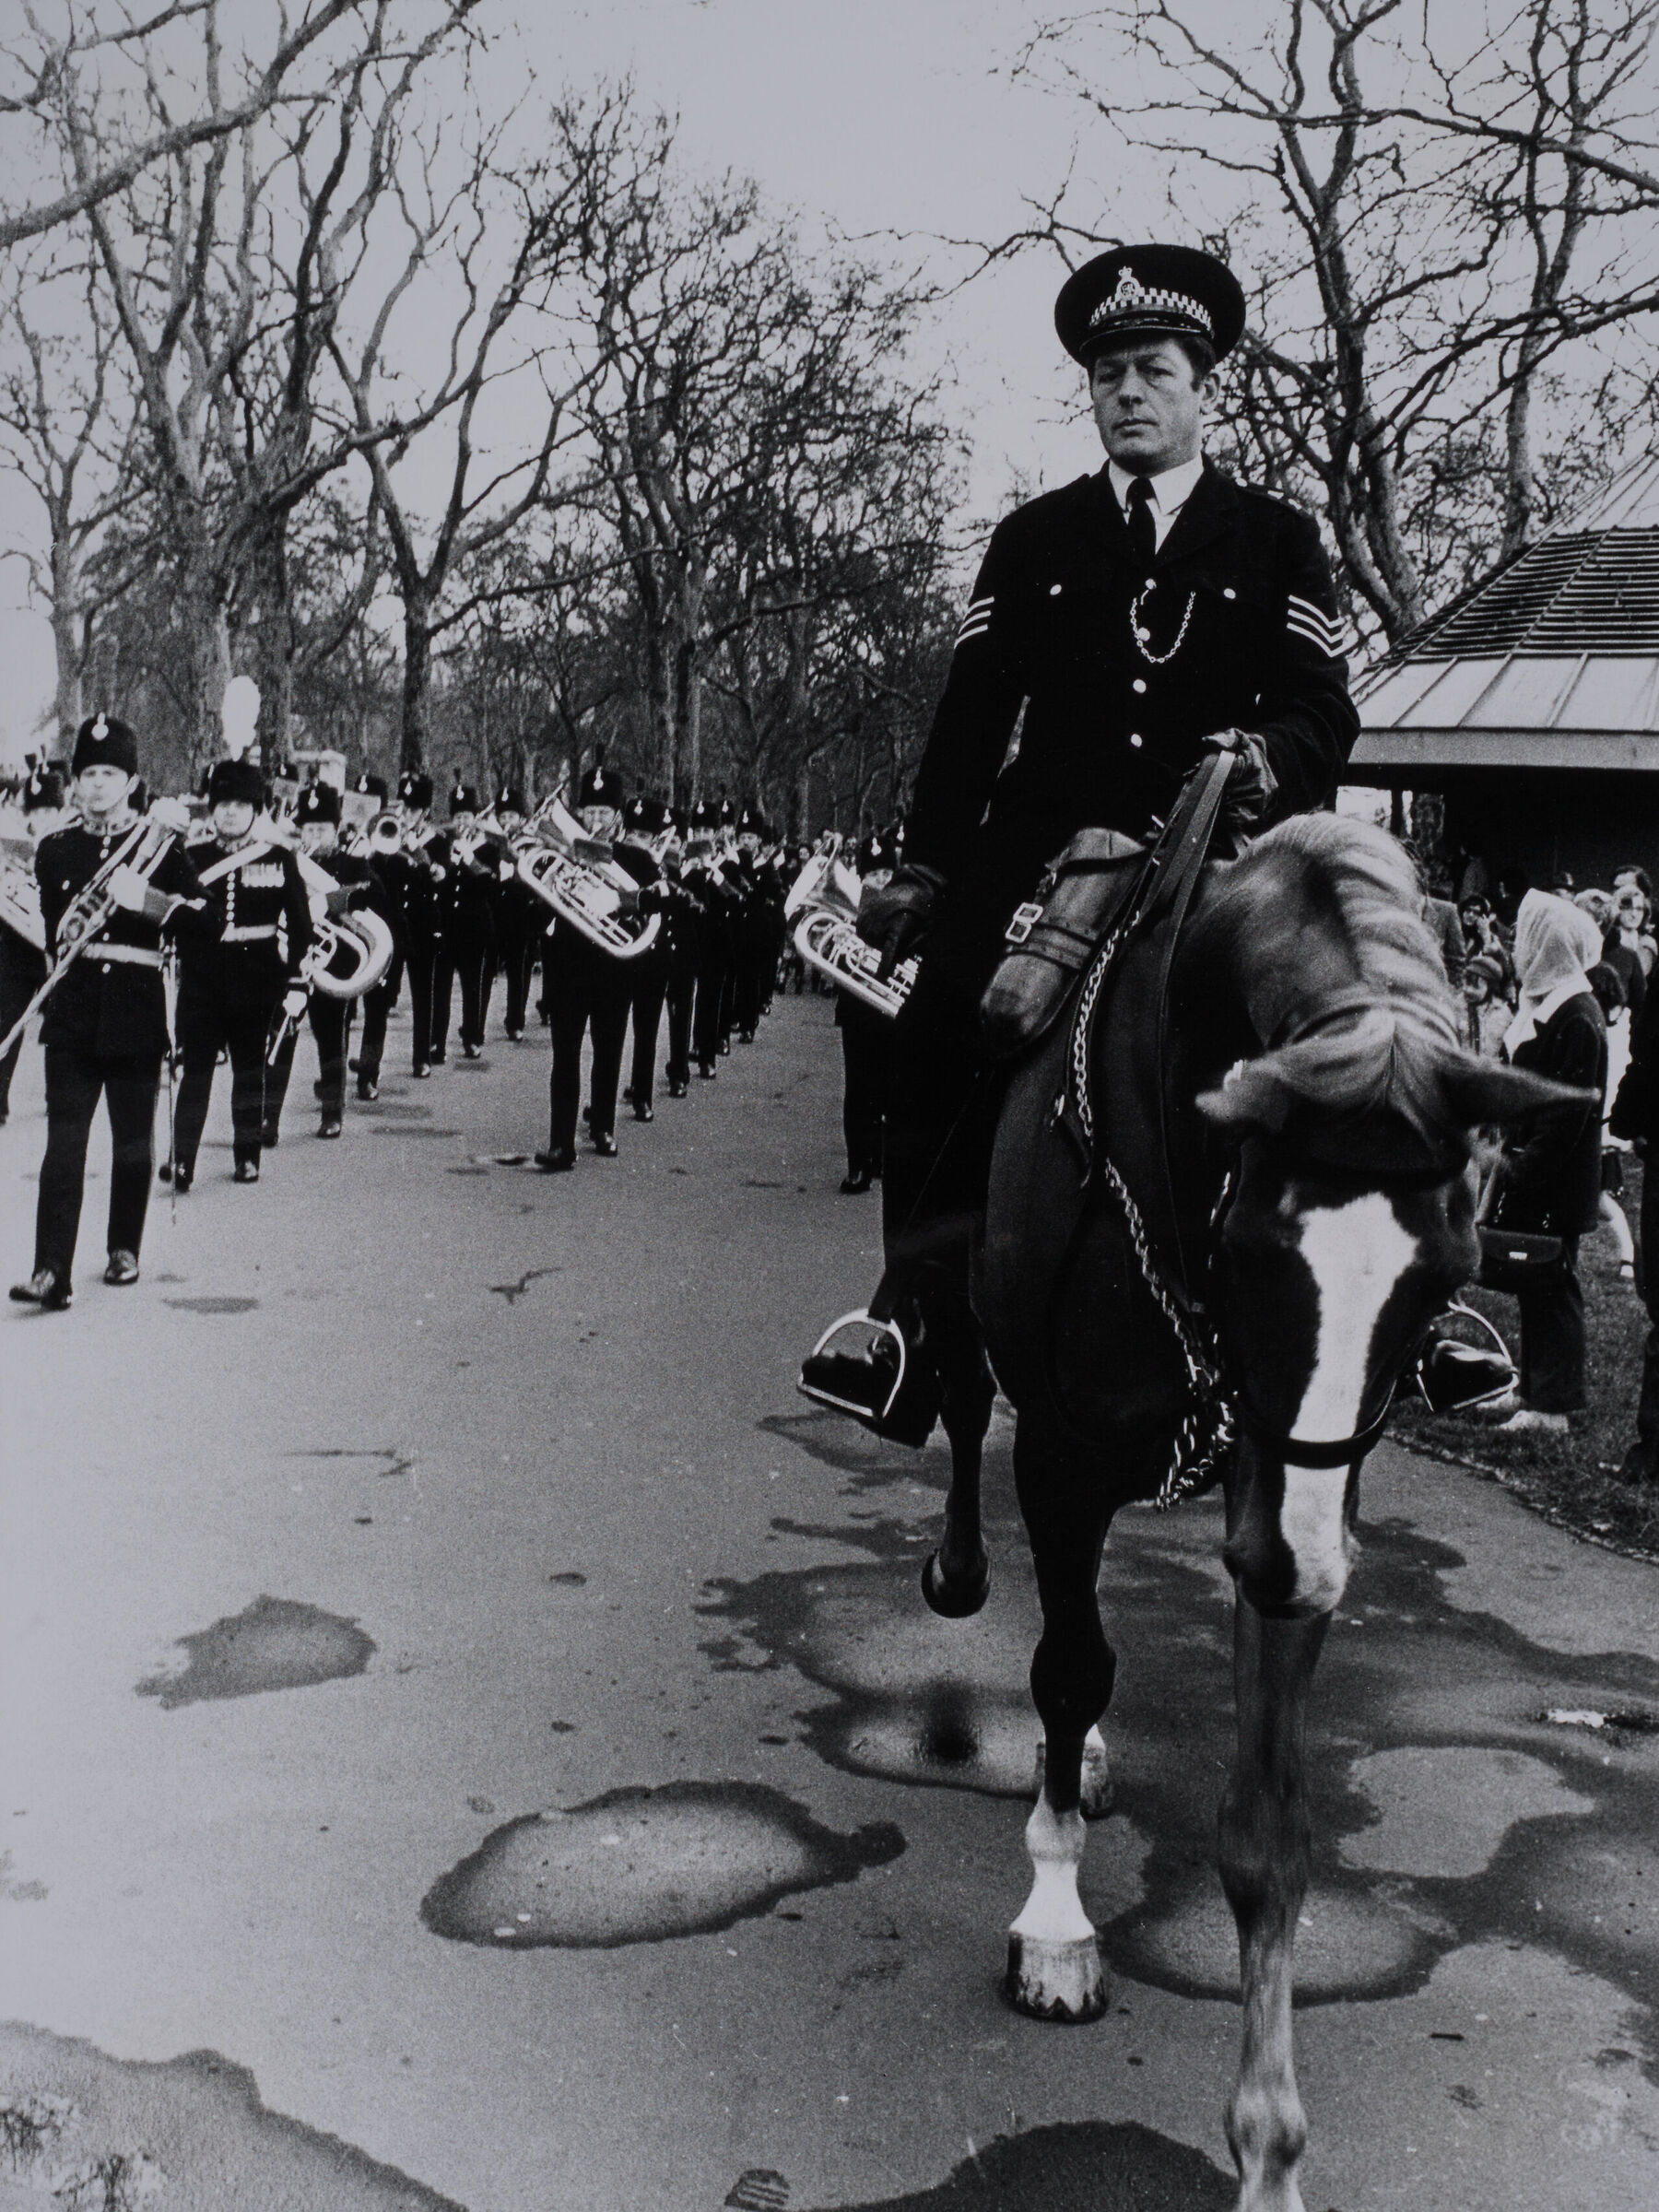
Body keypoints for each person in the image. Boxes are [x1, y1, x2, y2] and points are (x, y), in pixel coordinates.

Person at [801, 242, 1359, 1431]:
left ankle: (1384, 1314)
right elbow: (968, 724)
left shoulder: (1277, 540)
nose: (1129, 394)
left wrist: (1263, 757)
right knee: (940, 1026)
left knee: (1344, 1028)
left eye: (1153, 370)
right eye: (1108, 374)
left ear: (1204, 385)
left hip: (1214, 850)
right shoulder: (1034, 538)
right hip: (1042, 859)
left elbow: (1326, 709)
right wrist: (927, 867)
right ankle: (909, 1310)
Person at [10, 713, 218, 1310]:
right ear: (74, 783)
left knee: (131, 1146)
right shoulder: (54, 851)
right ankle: (50, 1270)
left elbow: (208, 925)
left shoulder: (162, 851)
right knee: (64, 1146)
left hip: (135, 1014)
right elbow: (55, 937)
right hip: (74, 1018)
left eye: (110, 773)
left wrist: (151, 902)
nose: (97, 784)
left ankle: (124, 1246)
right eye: (88, 773)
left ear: (131, 781)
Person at [1481, 890, 1607, 1435]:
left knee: (1553, 1284)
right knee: (1536, 1279)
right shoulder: (1552, 1005)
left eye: (1524, 937)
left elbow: (1566, 1115)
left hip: (1557, 1177)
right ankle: (1533, 1389)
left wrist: (1526, 1170)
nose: (1516, 945)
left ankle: (1552, 1406)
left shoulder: (1577, 1016)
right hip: (1538, 1168)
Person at [168, 756, 311, 1189]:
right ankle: (182, 1160)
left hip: (256, 977)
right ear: (212, 809)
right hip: (202, 979)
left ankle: (247, 1155)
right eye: (222, 802)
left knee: (249, 1070)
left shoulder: (279, 857)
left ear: (255, 809)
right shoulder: (190, 856)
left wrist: (295, 979)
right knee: (195, 1072)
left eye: (240, 803)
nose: (230, 811)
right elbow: (173, 913)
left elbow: (300, 924)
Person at [0, 767, 65, 1125]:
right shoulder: (12, 847)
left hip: (57, 952)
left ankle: (59, 1097)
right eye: (36, 812)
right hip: (17, 948)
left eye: (49, 812)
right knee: (7, 1021)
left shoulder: (72, 845)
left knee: (60, 1028)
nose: (43, 819)